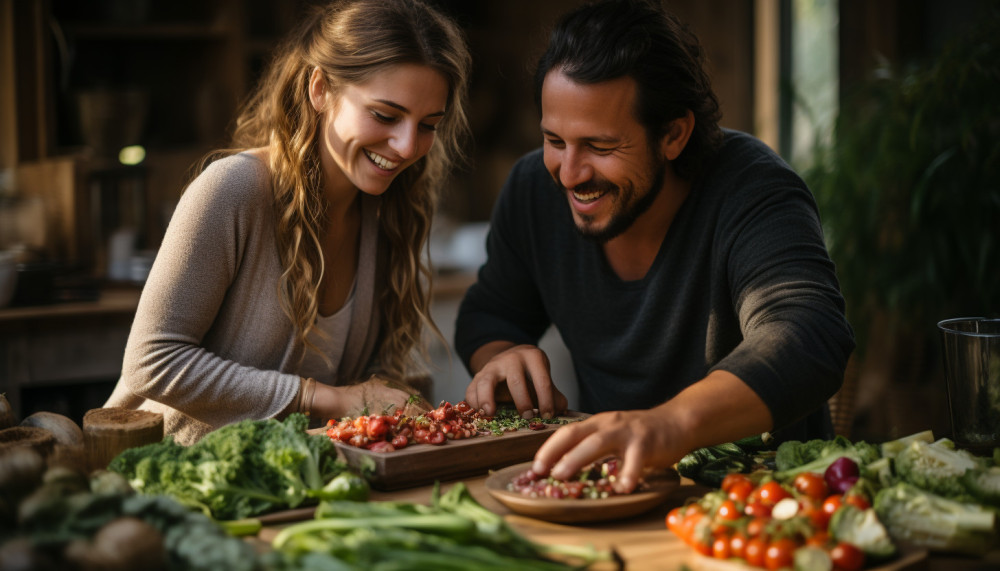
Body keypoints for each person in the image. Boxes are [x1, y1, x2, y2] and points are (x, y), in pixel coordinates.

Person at [454, 0, 855, 493]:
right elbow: (488, 314)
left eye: (600, 147)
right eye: (554, 140)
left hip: (765, 499)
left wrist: (667, 424)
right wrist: (502, 355)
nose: (570, 173)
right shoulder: (532, 190)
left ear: (673, 134)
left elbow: (807, 335)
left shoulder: (754, 188)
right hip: (614, 494)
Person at [104, 0, 472, 445]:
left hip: (296, 484)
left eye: (429, 124)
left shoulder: (391, 208)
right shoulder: (233, 188)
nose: (407, 146)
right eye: (385, 115)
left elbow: (366, 384)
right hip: (176, 479)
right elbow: (150, 362)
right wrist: (322, 397)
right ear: (320, 89)